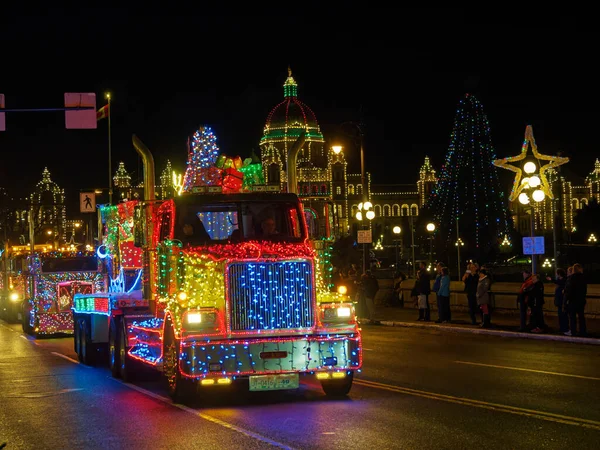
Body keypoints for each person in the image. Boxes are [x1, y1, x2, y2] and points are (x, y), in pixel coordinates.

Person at [565, 263, 588, 337]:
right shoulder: (583, 277)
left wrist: (567, 298)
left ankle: (573, 331)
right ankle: (583, 331)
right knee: (581, 317)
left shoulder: (572, 278)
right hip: (581, 300)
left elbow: (569, 290)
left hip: (573, 300)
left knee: (572, 317)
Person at [547, 268, 569, 334]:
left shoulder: (564, 280)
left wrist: (551, 279)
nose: (556, 275)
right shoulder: (561, 280)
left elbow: (559, 282)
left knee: (563, 315)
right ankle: (562, 328)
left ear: (559, 274)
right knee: (560, 315)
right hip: (559, 301)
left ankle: (565, 328)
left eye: (557, 273)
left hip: (562, 301)